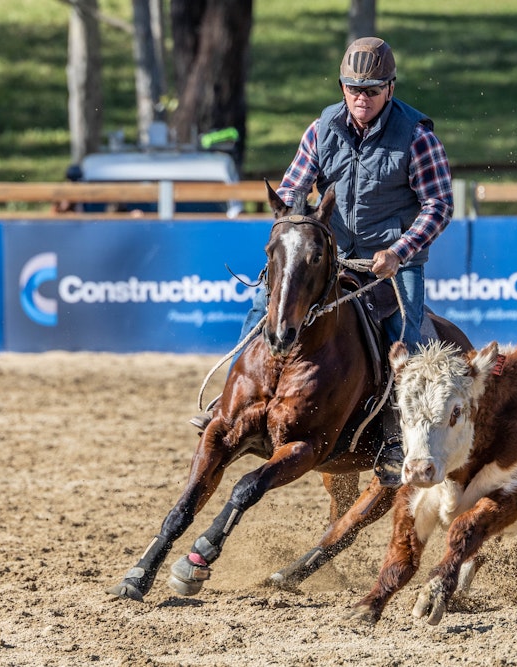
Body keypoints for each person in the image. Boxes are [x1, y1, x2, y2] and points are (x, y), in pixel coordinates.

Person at [192, 37, 454, 485]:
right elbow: (295, 185)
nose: (361, 98)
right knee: (265, 306)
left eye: (371, 89)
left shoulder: (417, 136)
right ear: (342, 86)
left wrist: (399, 252)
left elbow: (438, 206)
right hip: (330, 257)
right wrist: (293, 221)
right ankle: (230, 403)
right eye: (353, 88)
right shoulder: (322, 128)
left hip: (390, 264)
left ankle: (395, 437)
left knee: (407, 339)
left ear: (391, 88)